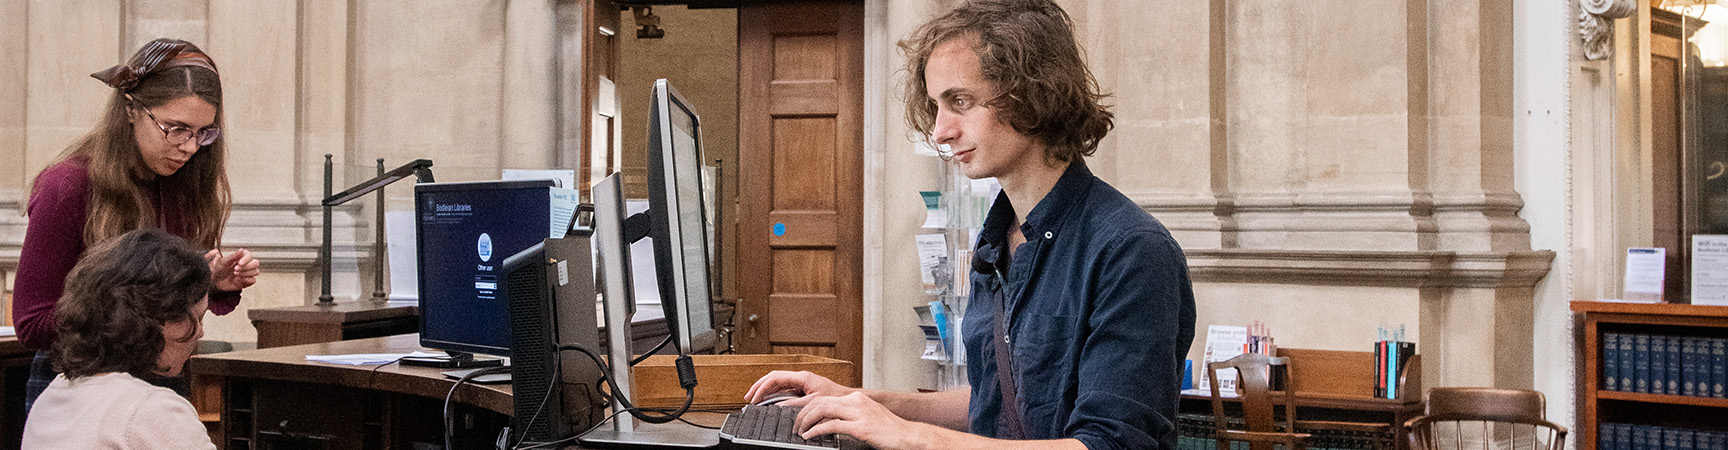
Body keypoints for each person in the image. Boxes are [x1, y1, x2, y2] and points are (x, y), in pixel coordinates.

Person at [744, 1, 1197, 449]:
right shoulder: (997, 240)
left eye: (960, 101)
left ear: (1033, 95)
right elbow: (996, 401)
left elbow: (1110, 445)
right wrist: (861, 401)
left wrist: (911, 437)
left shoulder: (1132, 251)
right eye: (937, 106)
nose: (940, 130)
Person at [13, 38, 260, 412]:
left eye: (202, 133)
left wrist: (207, 281)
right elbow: (31, 323)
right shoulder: (67, 185)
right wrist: (143, 308)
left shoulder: (185, 183)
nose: (190, 147)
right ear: (131, 109)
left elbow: (168, 313)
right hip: (78, 385)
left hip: (161, 382)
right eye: (175, 128)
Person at [21, 229, 219, 449]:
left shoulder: (52, 396)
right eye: (198, 318)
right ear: (158, 318)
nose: (201, 332)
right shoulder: (153, 409)